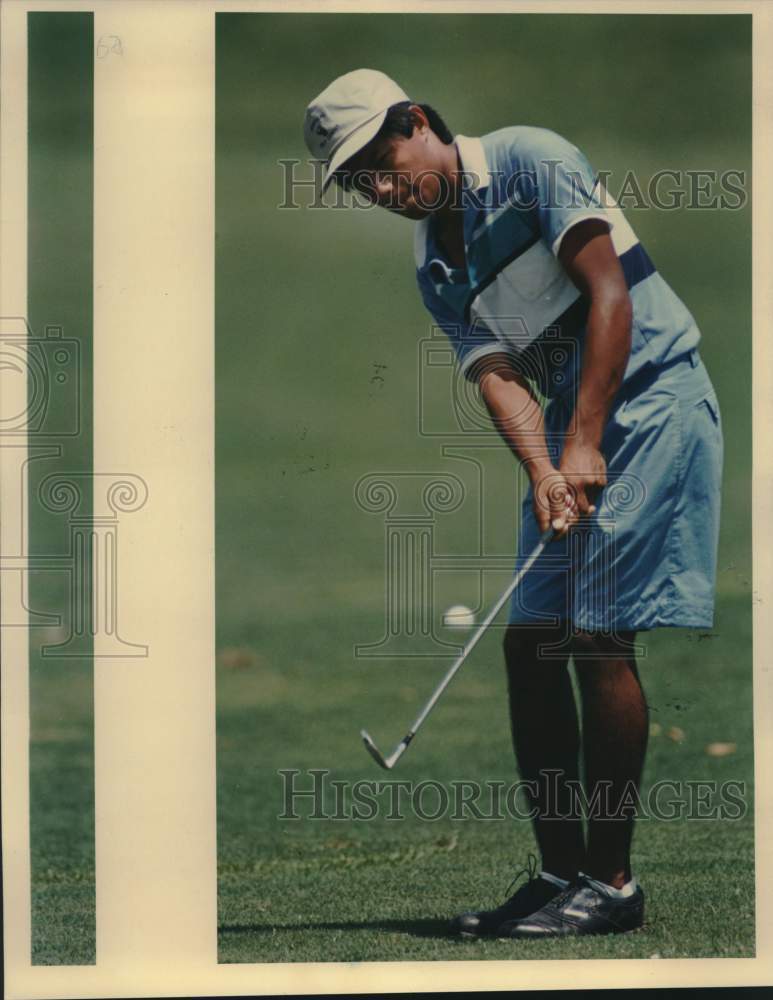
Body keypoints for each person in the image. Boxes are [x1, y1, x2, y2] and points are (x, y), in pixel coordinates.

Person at [303, 68, 723, 940]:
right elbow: (498, 378)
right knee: (530, 639)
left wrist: (584, 440)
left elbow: (609, 295)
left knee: (596, 631)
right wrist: (542, 468)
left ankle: (609, 885)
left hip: (648, 401)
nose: (380, 191)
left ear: (416, 122)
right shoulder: (436, 262)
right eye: (359, 184)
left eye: (381, 164)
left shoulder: (531, 162)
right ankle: (555, 873)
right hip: (574, 428)